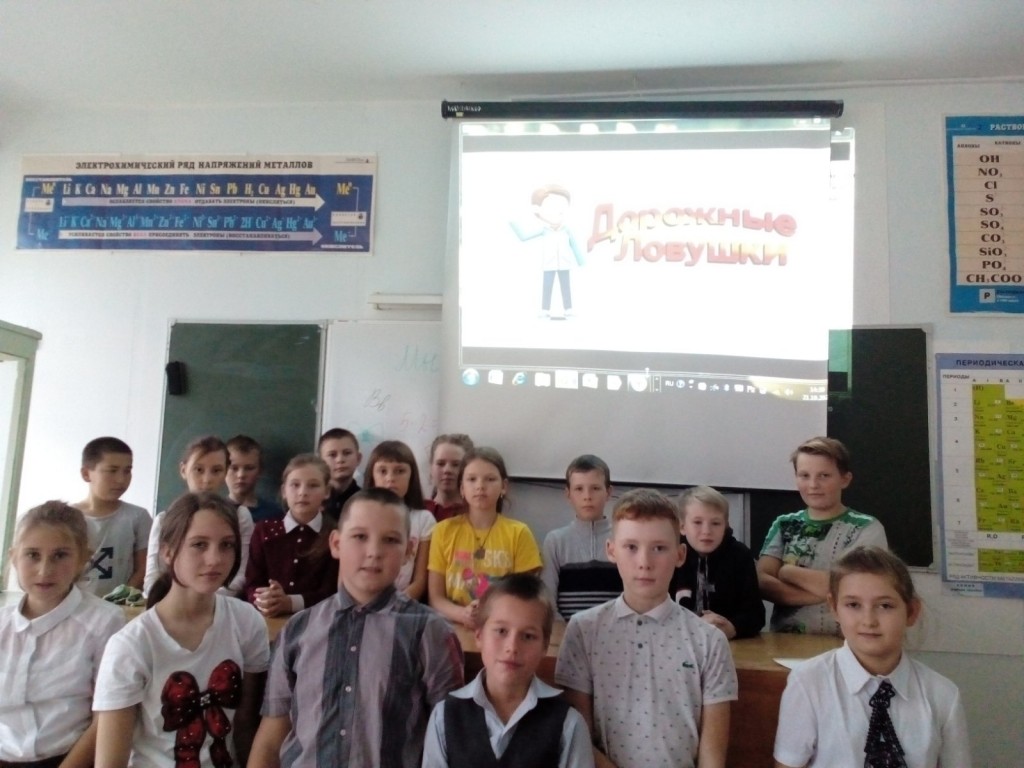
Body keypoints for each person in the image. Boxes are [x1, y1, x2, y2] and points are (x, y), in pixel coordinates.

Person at [247, 488, 465, 768]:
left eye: (390, 540)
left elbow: (450, 739)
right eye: (360, 537)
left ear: (409, 551)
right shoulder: (298, 630)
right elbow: (270, 738)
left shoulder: (430, 633)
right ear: (336, 544)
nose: (374, 552)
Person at [555, 489, 738, 768]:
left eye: (659, 548)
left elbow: (712, 756)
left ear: (680, 554)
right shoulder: (584, 630)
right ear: (611, 551)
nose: (644, 563)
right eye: (631, 547)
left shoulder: (709, 641)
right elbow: (580, 740)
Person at [94, 492, 270, 768]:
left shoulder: (247, 621)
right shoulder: (132, 644)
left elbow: (246, 726)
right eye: (199, 545)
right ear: (167, 551)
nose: (215, 559)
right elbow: (110, 762)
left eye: (226, 545)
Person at [773, 546, 972, 768]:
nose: (868, 620)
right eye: (853, 605)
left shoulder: (943, 695)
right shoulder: (808, 683)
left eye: (885, 606)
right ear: (834, 608)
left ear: (911, 611)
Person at [422, 573, 595, 768]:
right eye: (501, 631)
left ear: (545, 646)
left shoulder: (568, 724)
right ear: (479, 636)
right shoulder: (444, 717)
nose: (512, 647)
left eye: (528, 636)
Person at [0, 501, 124, 768]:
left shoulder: (104, 622)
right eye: (32, 555)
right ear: (14, 557)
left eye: (60, 555)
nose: (44, 570)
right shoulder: (3, 625)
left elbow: (107, 715)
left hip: (69, 758)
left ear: (83, 558)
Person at [758, 436, 889, 635]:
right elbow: (762, 582)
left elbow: (859, 587)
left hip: (846, 642)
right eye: (804, 475)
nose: (813, 485)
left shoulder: (867, 528)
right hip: (785, 642)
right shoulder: (784, 524)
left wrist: (788, 572)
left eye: (824, 476)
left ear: (845, 479)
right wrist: (826, 593)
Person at [428, 447, 542, 628]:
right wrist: (462, 614)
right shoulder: (443, 531)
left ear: (504, 486)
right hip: (453, 627)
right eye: (472, 479)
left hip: (502, 627)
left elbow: (524, 595)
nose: (480, 486)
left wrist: (491, 614)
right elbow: (435, 598)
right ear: (462, 488)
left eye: (490, 479)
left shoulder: (519, 533)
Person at [143, 436, 254, 597]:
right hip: (174, 602)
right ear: (183, 470)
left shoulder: (239, 515)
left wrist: (207, 599)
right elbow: (153, 576)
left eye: (216, 471)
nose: (207, 480)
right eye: (198, 470)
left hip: (221, 602)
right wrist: (175, 600)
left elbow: (241, 573)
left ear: (225, 472)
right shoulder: (164, 519)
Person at [243, 454, 338, 617]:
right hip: (268, 619)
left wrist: (290, 603)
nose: (302, 493)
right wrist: (264, 599)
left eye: (313, 485)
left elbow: (332, 592)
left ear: (327, 491)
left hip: (317, 621)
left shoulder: (334, 535)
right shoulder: (263, 530)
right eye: (295, 485)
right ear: (284, 491)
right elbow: (252, 583)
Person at [672, 485, 765, 639]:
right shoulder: (670, 555)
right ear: (682, 526)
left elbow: (755, 615)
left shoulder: (740, 555)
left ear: (725, 525)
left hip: (726, 643)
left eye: (715, 523)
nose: (707, 531)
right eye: (697, 522)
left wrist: (731, 628)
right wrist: (695, 626)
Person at [541, 454, 622, 620]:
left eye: (595, 488)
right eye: (579, 489)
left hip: (616, 631)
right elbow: (547, 600)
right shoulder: (555, 541)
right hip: (567, 631)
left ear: (608, 492)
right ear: (568, 494)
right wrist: (562, 630)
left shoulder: (622, 538)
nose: (587, 496)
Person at [73, 436, 151, 597]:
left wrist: (118, 600)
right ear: (86, 474)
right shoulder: (66, 518)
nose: (121, 479)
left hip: (120, 606)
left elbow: (144, 569)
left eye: (127, 471)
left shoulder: (138, 517)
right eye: (112, 470)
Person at [363, 439, 436, 600]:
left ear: (411, 476)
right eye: (383, 471)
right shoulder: (359, 516)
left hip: (403, 603)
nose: (390, 478)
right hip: (363, 601)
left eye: (399, 471)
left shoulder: (424, 519)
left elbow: (420, 580)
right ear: (372, 476)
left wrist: (396, 604)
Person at [510, 184, 585, 318]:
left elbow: (574, 246)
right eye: (551, 209)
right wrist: (512, 222)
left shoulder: (566, 230)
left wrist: (581, 261)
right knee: (547, 287)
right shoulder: (544, 230)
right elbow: (524, 237)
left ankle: (568, 308)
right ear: (540, 212)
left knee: (565, 287)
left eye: (561, 209)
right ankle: (545, 309)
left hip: (564, 263)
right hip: (549, 263)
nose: (557, 212)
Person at [226, 434, 284, 523]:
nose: (241, 475)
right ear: (223, 469)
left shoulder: (274, 514)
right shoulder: (215, 512)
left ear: (260, 471)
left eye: (249, 468)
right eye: (234, 468)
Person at [424, 433, 474, 522]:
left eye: (456, 464)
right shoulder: (418, 513)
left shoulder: (477, 514)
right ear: (431, 467)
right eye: (440, 463)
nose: (447, 470)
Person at [318, 428, 362, 520]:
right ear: (321, 462)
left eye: (347, 453)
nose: (340, 460)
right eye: (332, 455)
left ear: (358, 458)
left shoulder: (366, 500)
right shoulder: (313, 499)